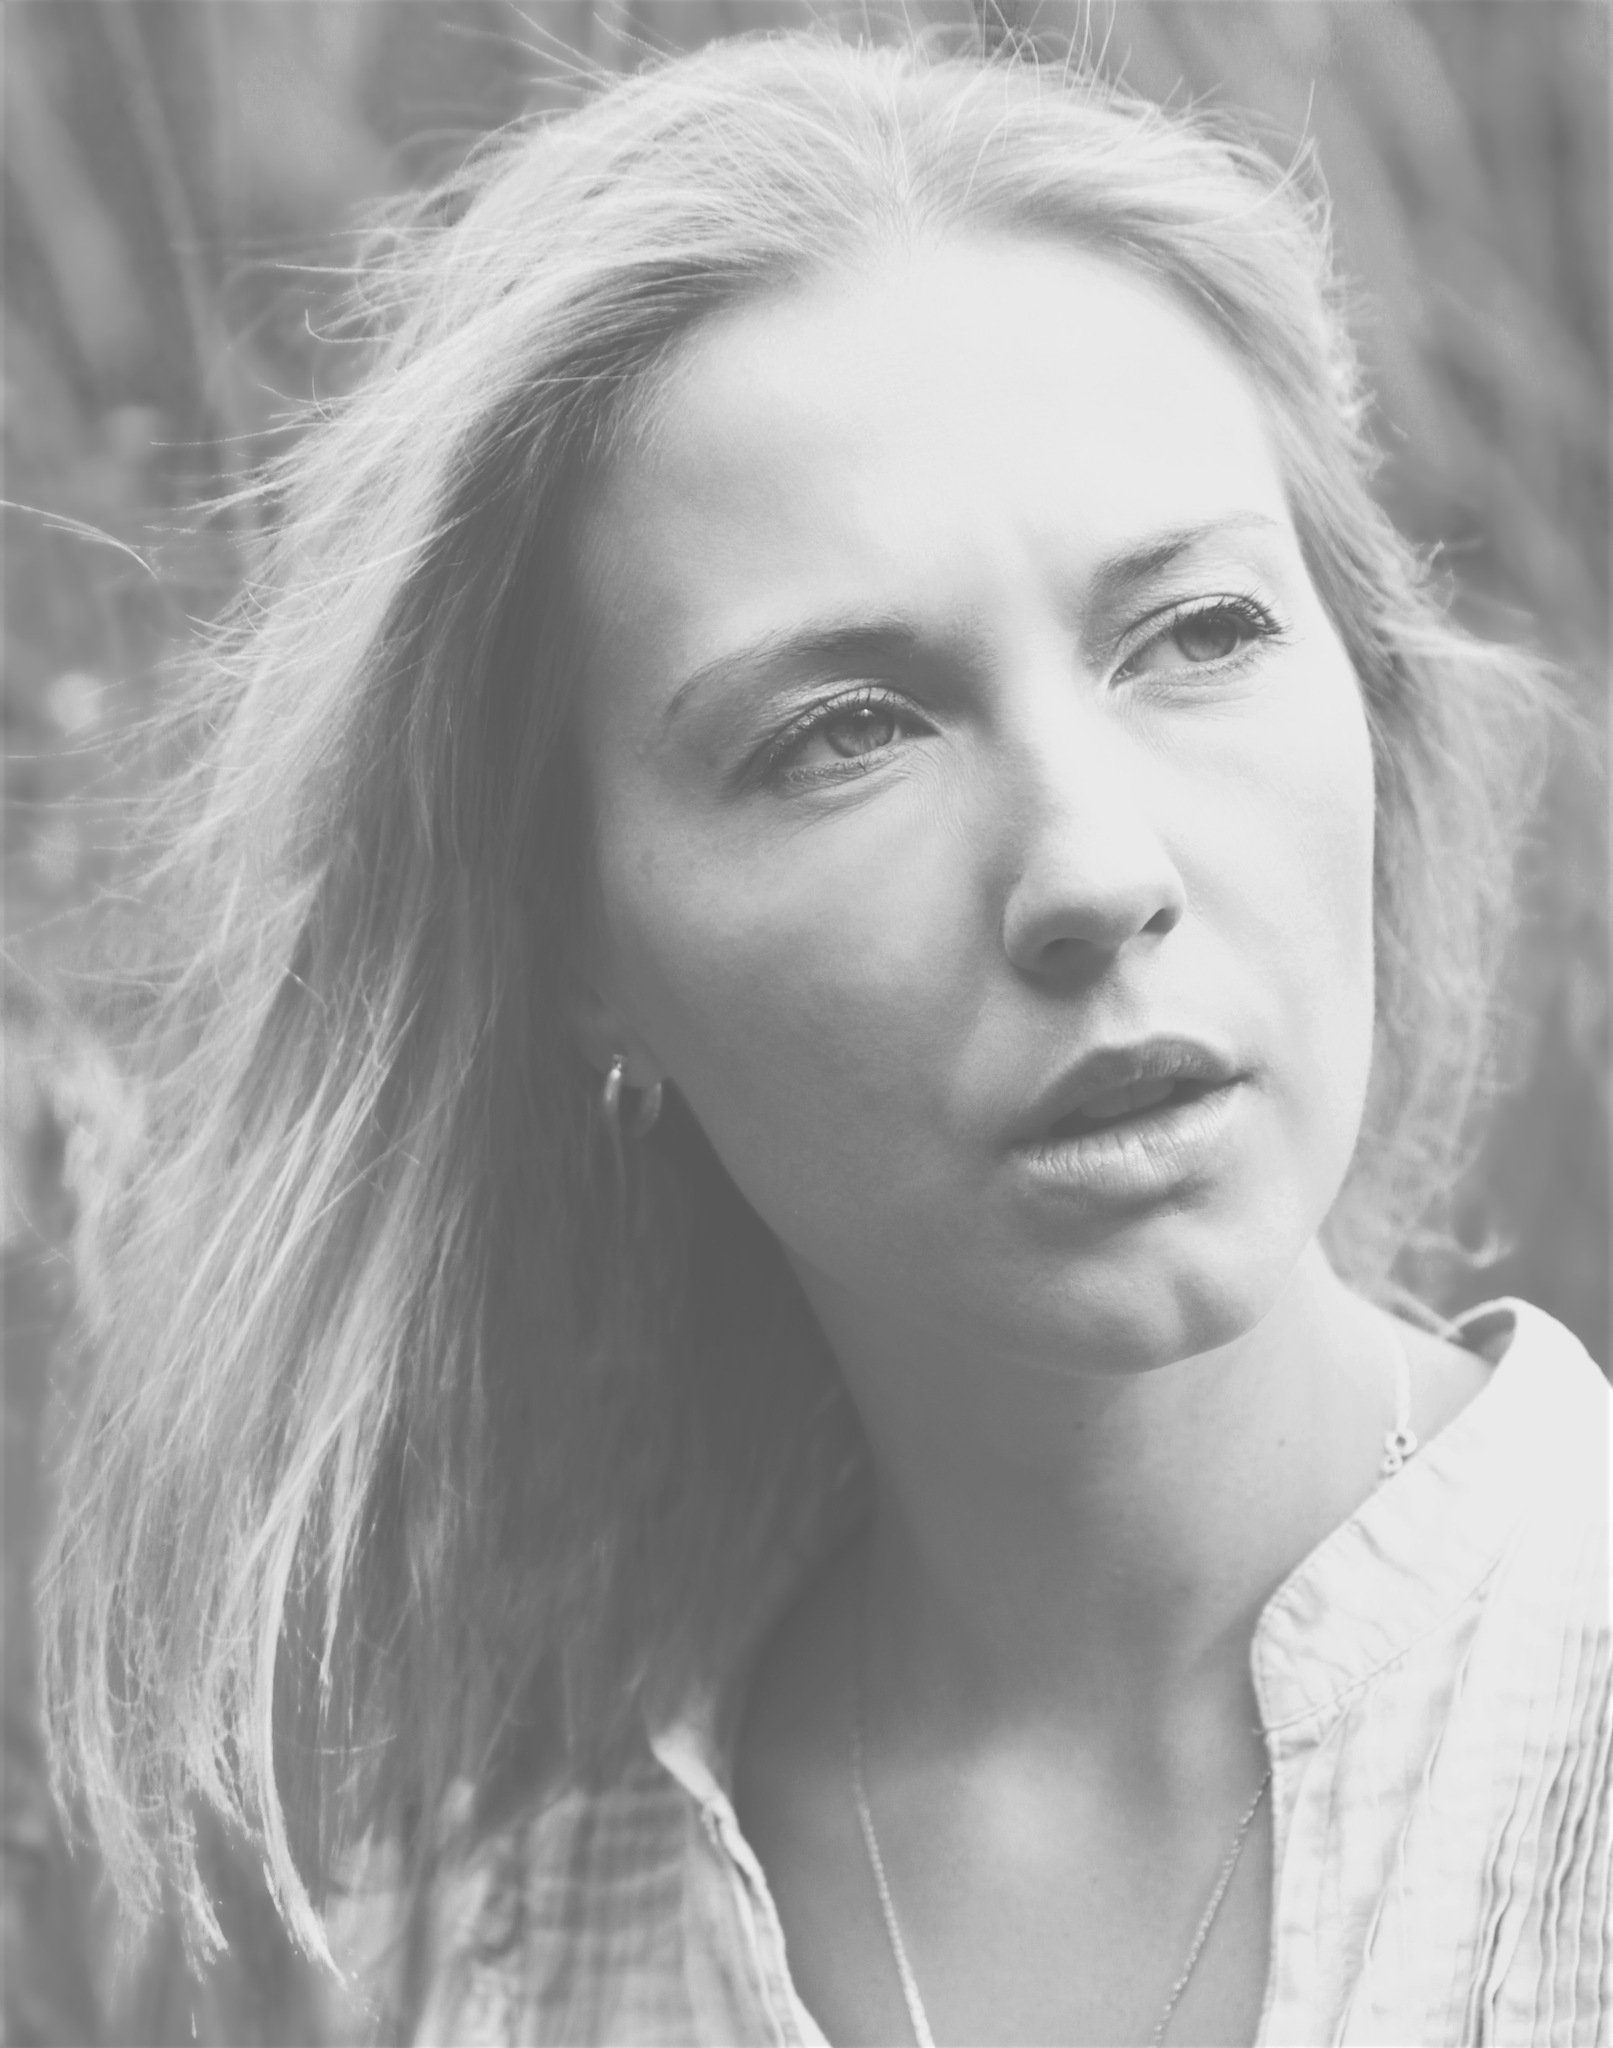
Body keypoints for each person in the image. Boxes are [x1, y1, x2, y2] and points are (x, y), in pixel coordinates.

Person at [39, 28, 1608, 2048]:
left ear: (1366, 694)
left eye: (1200, 631)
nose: (1093, 870)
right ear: (579, 946)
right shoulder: (509, 1972)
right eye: (844, 731)